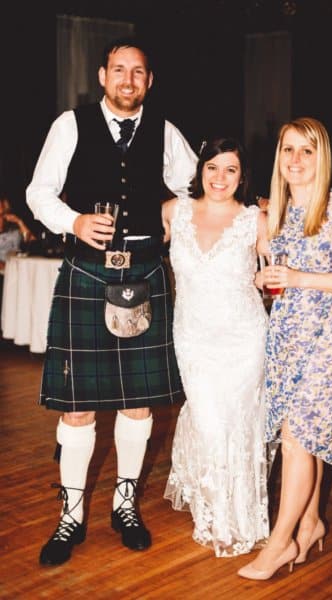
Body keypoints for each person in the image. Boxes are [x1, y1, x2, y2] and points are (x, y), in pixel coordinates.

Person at [26, 36, 197, 566]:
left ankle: (126, 502)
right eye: (118, 70)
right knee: (77, 409)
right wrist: (73, 221)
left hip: (145, 272)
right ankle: (71, 513)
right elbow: (38, 192)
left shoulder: (166, 133)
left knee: (137, 402)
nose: (128, 80)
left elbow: (200, 186)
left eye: (138, 72)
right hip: (86, 272)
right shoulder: (70, 124)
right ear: (102, 76)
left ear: (149, 81)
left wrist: (177, 206)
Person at [238, 117, 332, 580]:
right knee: (305, 441)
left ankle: (279, 544)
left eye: (306, 151)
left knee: (297, 441)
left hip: (327, 339)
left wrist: (298, 279)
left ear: (322, 157)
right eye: (288, 150)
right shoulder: (275, 211)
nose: (295, 160)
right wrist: (265, 278)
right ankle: (311, 523)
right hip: (285, 336)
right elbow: (273, 272)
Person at [162, 137, 271, 557]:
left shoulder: (254, 219)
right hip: (193, 337)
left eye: (231, 170)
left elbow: (279, 265)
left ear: (242, 177)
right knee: (208, 422)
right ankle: (218, 513)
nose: (220, 178)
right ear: (200, 170)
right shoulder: (175, 212)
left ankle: (235, 518)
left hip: (245, 337)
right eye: (213, 167)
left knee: (237, 425)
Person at [0, 194, 35, 271]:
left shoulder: (15, 232)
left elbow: (34, 244)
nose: (1, 220)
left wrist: (19, 222)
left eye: (2, 215)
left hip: (21, 270)